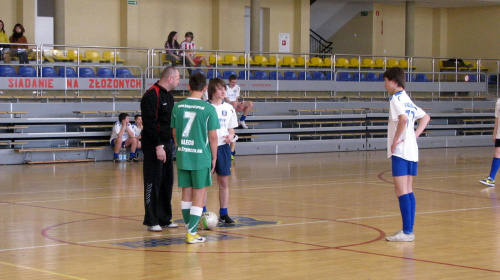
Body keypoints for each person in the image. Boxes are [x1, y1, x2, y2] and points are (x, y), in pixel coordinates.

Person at [171, 72, 220, 243]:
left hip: (184, 154)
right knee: (199, 194)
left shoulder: (178, 107)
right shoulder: (208, 109)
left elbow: (175, 132)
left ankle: (190, 230)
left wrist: (180, 147)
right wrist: (214, 157)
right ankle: (191, 233)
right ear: (205, 88)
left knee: (186, 194)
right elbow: (213, 137)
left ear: (188, 86)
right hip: (201, 157)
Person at [384, 67, 430, 242]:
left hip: (402, 151)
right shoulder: (408, 99)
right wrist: (414, 135)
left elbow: (403, 119)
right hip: (412, 150)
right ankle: (408, 230)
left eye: (386, 81)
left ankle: (407, 232)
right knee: (409, 189)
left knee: (401, 190)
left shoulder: (395, 99)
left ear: (394, 81)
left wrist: (396, 139)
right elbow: (425, 117)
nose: (384, 84)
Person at [140, 66, 180, 232]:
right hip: (154, 145)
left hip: (168, 144)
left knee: (166, 182)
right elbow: (149, 124)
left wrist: (173, 143)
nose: (179, 82)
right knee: (153, 182)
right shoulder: (151, 95)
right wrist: (158, 146)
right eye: (177, 79)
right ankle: (152, 219)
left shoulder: (169, 97)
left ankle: (165, 218)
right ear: (170, 78)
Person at [206, 78, 238, 224]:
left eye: (224, 88)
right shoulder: (205, 107)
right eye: (220, 89)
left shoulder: (229, 108)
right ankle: (202, 212)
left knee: (223, 182)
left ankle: (224, 213)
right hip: (206, 147)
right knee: (203, 182)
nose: (223, 91)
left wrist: (230, 136)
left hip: (223, 148)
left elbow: (231, 128)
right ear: (212, 90)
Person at [479, 98, 500, 187]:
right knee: (497, 154)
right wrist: (495, 133)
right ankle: (491, 178)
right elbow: (497, 118)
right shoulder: (499, 101)